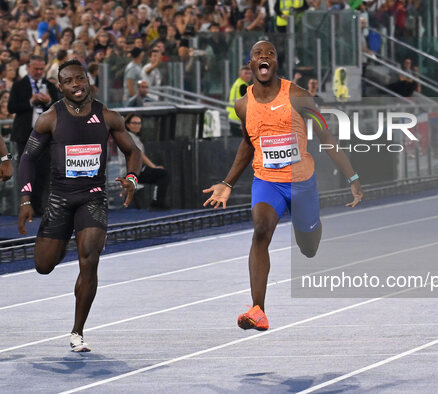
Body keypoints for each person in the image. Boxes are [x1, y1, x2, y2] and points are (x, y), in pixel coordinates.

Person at [203, 41, 363, 331]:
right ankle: (258, 310)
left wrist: (351, 177)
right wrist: (228, 182)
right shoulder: (242, 104)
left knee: (309, 247)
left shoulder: (299, 97)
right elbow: (247, 143)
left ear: (276, 63)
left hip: (301, 183)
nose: (264, 57)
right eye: (258, 55)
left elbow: (326, 135)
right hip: (267, 181)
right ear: (250, 65)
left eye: (270, 54)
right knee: (260, 232)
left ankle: (312, 229)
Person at [17, 60, 141, 351]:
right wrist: (26, 198)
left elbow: (132, 151)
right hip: (60, 199)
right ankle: (64, 239)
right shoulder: (50, 118)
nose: (76, 85)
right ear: (60, 87)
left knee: (89, 259)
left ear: (88, 80)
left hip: (93, 197)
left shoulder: (107, 116)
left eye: (80, 79)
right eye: (69, 81)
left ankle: (77, 331)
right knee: (44, 265)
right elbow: (27, 158)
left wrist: (132, 179)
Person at [8, 55, 61, 215]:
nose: (38, 72)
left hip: (45, 137)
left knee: (43, 173)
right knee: (25, 172)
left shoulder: (49, 86)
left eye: (41, 69)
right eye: (35, 69)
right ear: (29, 68)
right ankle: (24, 207)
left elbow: (58, 109)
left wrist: (48, 102)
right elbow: (11, 107)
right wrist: (30, 101)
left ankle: (38, 208)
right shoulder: (19, 85)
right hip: (24, 136)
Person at [123, 113, 169, 210]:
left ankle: (156, 202)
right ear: (127, 124)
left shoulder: (131, 137)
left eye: (139, 123)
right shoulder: (128, 136)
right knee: (162, 174)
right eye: (134, 123)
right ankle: (156, 203)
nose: (137, 125)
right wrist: (153, 167)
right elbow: (140, 155)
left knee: (160, 175)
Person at [226, 66, 252, 137]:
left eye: (249, 73)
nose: (248, 76)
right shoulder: (242, 85)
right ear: (240, 75)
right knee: (241, 139)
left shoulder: (237, 83)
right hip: (237, 117)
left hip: (232, 115)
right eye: (246, 73)